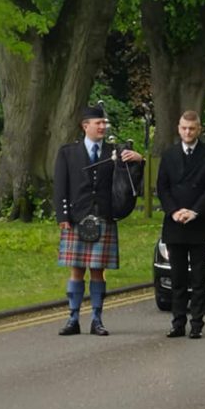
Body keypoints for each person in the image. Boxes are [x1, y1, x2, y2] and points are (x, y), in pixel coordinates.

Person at [54, 105, 144, 336]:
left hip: (104, 215)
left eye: (104, 123)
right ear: (85, 126)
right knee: (76, 270)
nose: (103, 126)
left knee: (97, 271)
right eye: (98, 123)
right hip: (77, 218)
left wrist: (138, 160)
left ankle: (97, 319)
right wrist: (62, 216)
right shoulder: (68, 153)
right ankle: (73, 319)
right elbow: (60, 186)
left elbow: (129, 183)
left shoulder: (116, 152)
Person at [156, 110, 205, 339]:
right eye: (184, 128)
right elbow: (162, 187)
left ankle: (197, 324)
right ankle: (177, 323)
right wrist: (174, 211)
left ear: (199, 130)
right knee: (178, 279)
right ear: (178, 128)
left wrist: (194, 211)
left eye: (192, 128)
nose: (187, 132)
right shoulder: (169, 155)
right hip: (175, 223)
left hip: (199, 223)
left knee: (199, 278)